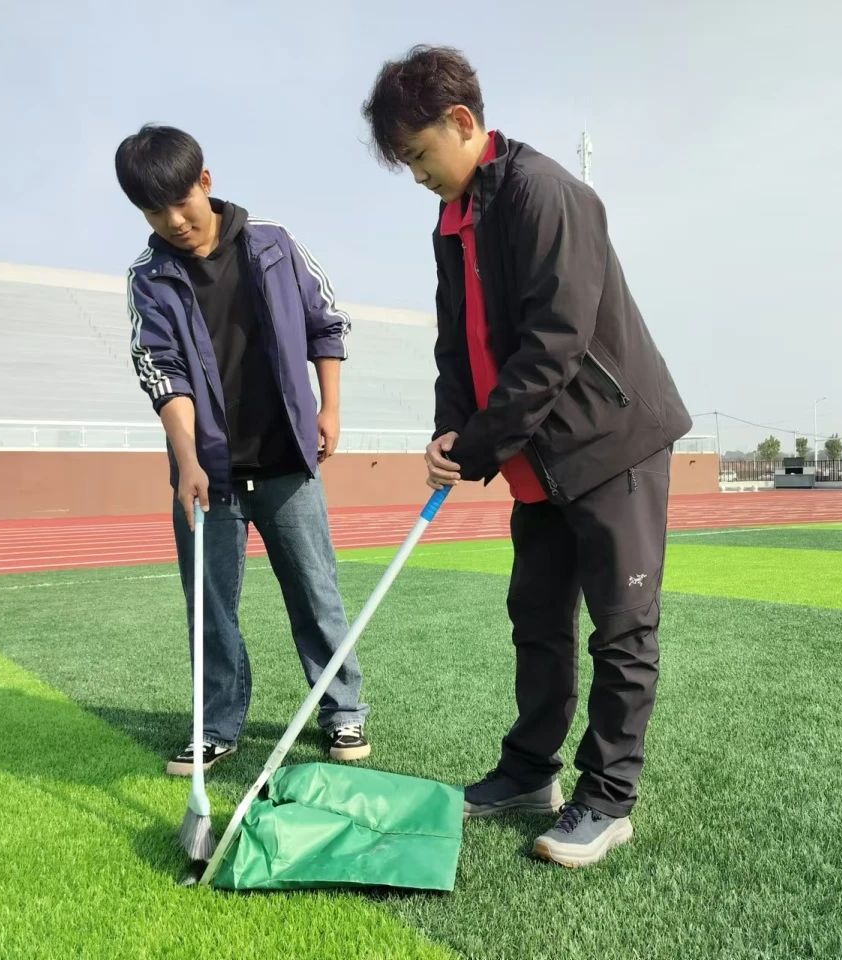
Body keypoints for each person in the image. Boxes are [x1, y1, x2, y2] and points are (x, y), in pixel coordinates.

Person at [362, 48, 692, 866]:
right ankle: (528, 773)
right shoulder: (454, 219)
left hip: (610, 442)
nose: (417, 176)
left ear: (462, 122)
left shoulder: (546, 193)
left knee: (621, 628)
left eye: (419, 156)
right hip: (539, 455)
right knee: (537, 618)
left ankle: (607, 798)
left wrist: (478, 445)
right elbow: (457, 344)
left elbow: (555, 342)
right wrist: (451, 430)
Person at [115, 124, 370, 773]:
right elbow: (161, 370)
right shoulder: (149, 277)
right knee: (210, 610)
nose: (174, 221)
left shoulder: (272, 243)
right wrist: (189, 462)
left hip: (287, 462)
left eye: (182, 202)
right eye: (154, 211)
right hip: (209, 475)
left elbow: (325, 322)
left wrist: (330, 407)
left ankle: (343, 711)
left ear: (205, 182)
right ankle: (217, 724)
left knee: (316, 595)